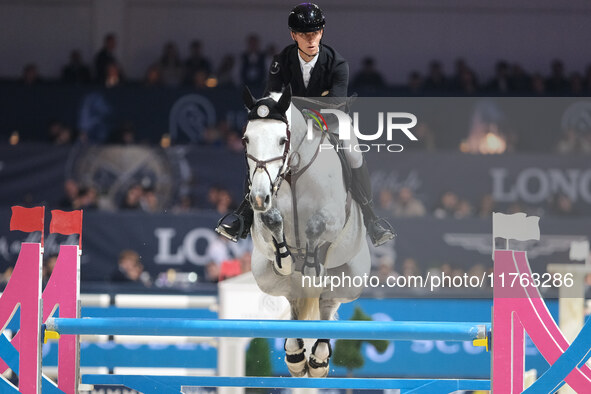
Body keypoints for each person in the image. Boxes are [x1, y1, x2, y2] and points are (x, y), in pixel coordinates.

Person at [216, 3, 395, 247]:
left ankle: (371, 218)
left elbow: (334, 103)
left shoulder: (337, 63)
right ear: (293, 35)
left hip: (329, 120)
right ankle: (243, 215)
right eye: (304, 34)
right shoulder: (281, 61)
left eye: (315, 33)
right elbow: (271, 99)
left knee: (353, 150)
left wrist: (297, 104)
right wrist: (303, 104)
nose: (310, 39)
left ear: (322, 32)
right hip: (291, 120)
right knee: (261, 149)